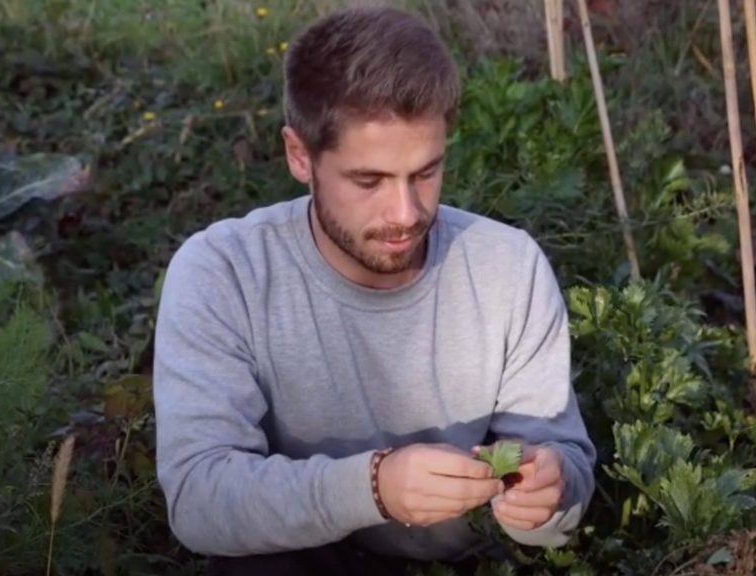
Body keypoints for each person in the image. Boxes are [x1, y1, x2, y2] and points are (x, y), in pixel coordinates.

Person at [152, 5, 596, 575]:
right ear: (299, 156)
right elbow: (200, 499)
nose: (406, 213)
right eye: (368, 181)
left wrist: (547, 492)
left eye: (426, 172)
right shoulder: (224, 272)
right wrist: (372, 488)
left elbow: (568, 470)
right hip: (304, 559)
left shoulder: (507, 267)